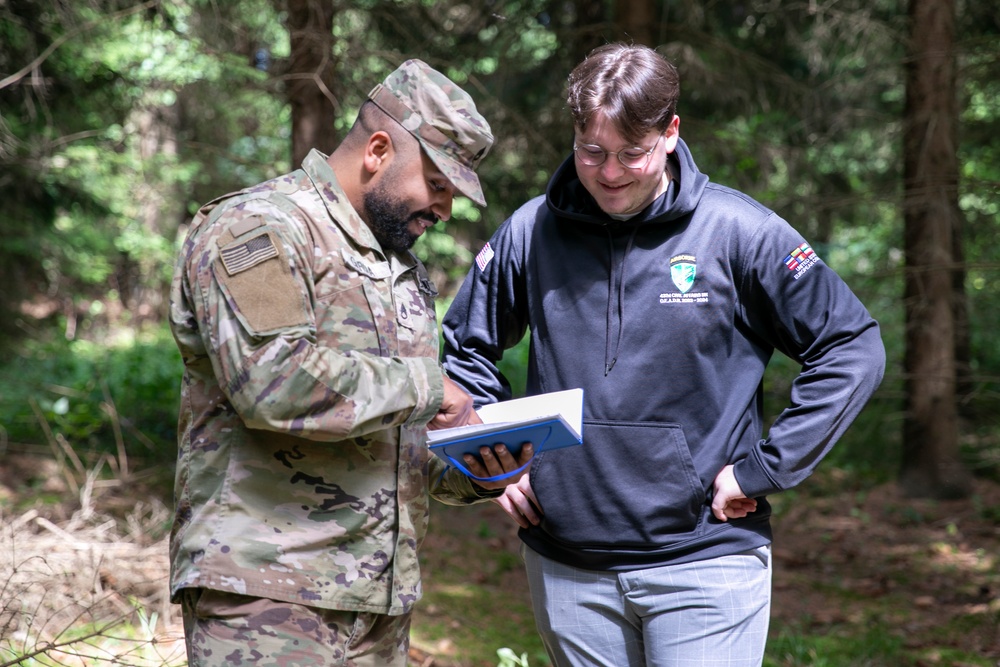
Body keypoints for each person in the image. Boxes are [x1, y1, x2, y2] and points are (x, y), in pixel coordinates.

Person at [442, 43, 886, 666]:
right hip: (568, 567)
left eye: (632, 153)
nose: (610, 173)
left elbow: (851, 347)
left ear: (671, 133)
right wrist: (491, 464)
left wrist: (766, 468)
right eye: (592, 151)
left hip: (707, 562)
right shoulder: (530, 231)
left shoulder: (739, 232)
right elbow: (465, 349)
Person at [168, 59, 530, 667]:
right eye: (437, 184)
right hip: (266, 596)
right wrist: (431, 387)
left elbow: (390, 436)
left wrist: (474, 467)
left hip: (378, 603)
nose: (445, 210)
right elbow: (272, 382)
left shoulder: (402, 271)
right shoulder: (258, 230)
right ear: (379, 150)